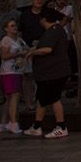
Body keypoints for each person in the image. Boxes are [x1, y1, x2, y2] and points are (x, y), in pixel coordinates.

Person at [24, 8, 71, 139]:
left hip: (54, 72)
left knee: (54, 98)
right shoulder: (54, 31)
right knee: (42, 99)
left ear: (44, 19)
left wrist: (32, 52)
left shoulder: (54, 31)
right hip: (47, 73)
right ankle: (37, 126)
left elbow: (48, 49)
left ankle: (61, 126)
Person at [0, 18, 28, 134]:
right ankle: (13, 123)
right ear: (6, 29)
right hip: (9, 71)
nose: (15, 27)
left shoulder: (19, 40)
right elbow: (4, 56)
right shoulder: (6, 40)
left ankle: (3, 123)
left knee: (9, 98)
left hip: (18, 70)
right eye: (12, 26)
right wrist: (18, 54)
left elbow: (26, 49)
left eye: (15, 25)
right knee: (14, 96)